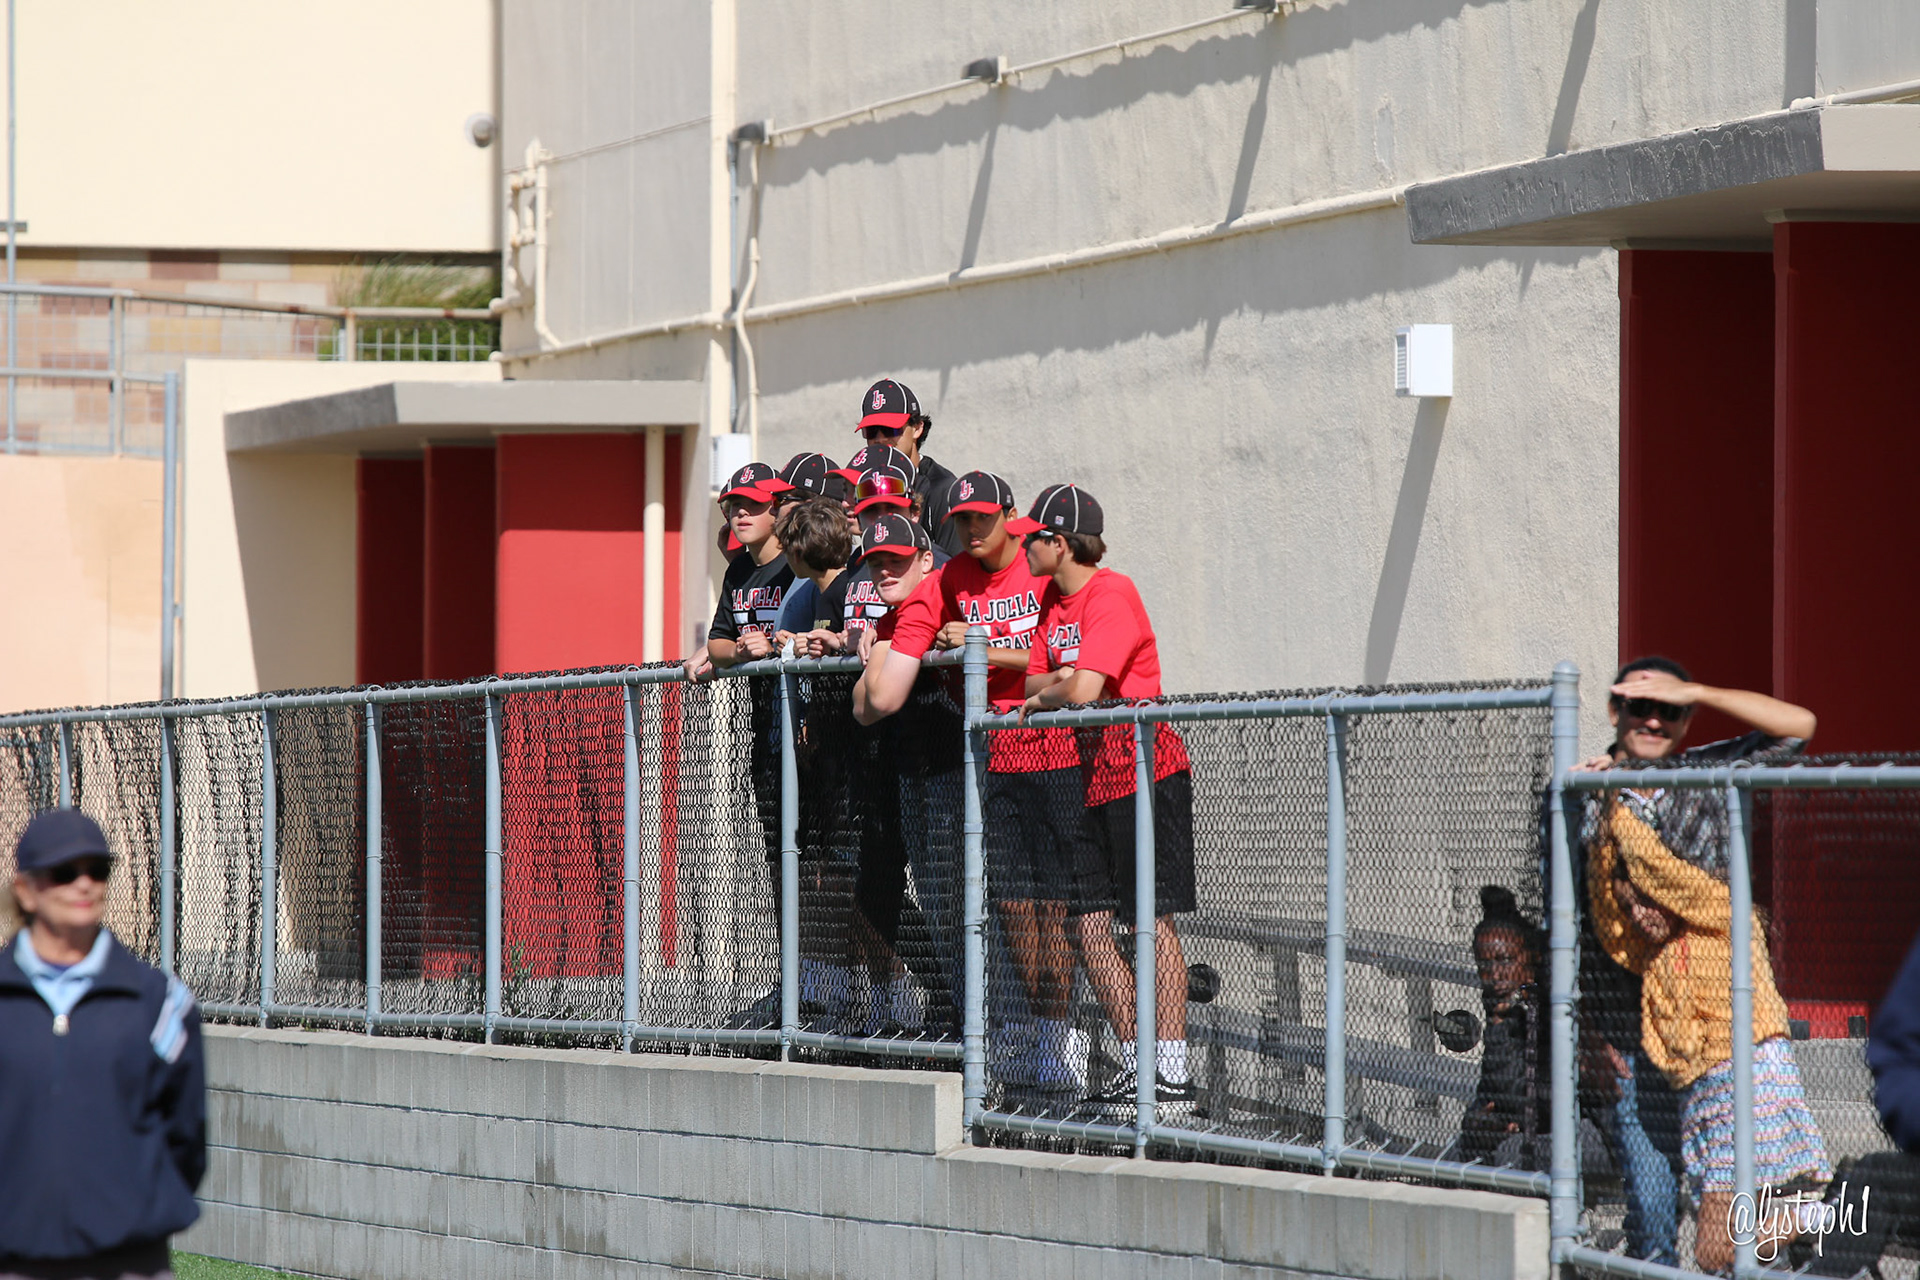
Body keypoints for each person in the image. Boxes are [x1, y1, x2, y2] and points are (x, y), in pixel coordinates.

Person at [1581, 659, 1829, 1273]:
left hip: (1738, 1032)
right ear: (1614, 711)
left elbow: (1798, 726)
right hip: (1667, 1039)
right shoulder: (1588, 793)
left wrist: (1699, 691)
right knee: (1705, 1237)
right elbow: (1592, 925)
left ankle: (1834, 1212)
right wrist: (1586, 1027)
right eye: (1640, 706)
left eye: (1670, 709)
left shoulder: (1708, 771)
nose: (1654, 720)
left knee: (1717, 1247)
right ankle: (1817, 1219)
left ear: (1687, 719)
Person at [854, 471, 1082, 1088]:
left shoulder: (1040, 568)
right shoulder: (950, 579)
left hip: (1061, 752)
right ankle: (1023, 1035)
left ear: (1008, 514)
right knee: (1010, 907)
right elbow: (890, 666)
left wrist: (983, 648)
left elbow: (1073, 667)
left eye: (984, 516)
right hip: (996, 756)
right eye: (963, 519)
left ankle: (1073, 1044)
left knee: (1067, 912)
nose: (974, 528)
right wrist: (874, 642)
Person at [1016, 484, 1197, 1117]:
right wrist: (1057, 684)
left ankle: (1170, 1071)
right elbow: (1035, 674)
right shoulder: (1052, 601)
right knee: (1088, 922)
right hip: (1093, 776)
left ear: (1061, 543)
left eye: (1034, 537)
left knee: (1151, 920)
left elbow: (1082, 691)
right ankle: (1136, 1061)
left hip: (1145, 772)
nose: (1025, 546)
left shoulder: (1111, 593)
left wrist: (1050, 693)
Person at [1, 808, 205, 1279]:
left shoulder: (158, 1002)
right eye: (64, 872)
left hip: (129, 1262)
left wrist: (132, 1208)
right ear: (26, 891)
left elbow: (186, 1137)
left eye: (97, 870)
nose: (84, 884)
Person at [850, 513, 969, 1035]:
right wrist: (876, 646)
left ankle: (989, 1028)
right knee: (942, 903)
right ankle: (965, 1020)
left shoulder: (933, 597)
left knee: (966, 904)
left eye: (896, 560)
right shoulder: (891, 619)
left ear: (925, 559)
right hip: (921, 771)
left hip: (960, 770)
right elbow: (865, 703)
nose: (884, 570)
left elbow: (875, 699)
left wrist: (877, 659)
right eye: (876, 561)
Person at [688, 463, 794, 1029]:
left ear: (778, 508)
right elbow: (720, 644)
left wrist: (767, 645)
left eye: (752, 504)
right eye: (733, 505)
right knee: (779, 856)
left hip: (809, 730)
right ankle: (797, 983)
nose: (740, 513)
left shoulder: (795, 564)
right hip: (764, 730)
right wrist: (745, 649)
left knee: (826, 866)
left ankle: (852, 990)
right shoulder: (739, 572)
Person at [1458, 886, 1551, 1168]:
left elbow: (1539, 1101)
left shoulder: (1549, 1007)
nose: (1495, 975)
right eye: (1484, 964)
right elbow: (1489, 1089)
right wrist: (1478, 1119)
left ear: (1532, 957)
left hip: (1572, 1128)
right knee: (1471, 1141)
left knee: (1507, 1154)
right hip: (1521, 1122)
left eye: (1506, 960)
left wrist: (1510, 1117)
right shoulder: (1502, 1006)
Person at [854, 378, 961, 557]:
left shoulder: (942, 489)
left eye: (890, 429)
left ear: (918, 428)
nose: (880, 439)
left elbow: (954, 566)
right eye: (871, 431)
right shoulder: (866, 482)